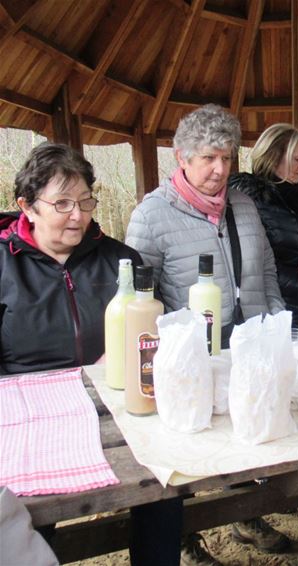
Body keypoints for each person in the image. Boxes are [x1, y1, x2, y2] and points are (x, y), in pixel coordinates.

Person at [0, 142, 179, 566]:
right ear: (27, 206)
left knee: (162, 483)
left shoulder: (120, 260)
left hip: (114, 401)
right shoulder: (4, 264)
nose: (78, 215)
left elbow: (157, 332)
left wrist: (130, 356)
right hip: (28, 413)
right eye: (62, 203)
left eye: (85, 201)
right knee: (25, 505)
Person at [125, 104, 289, 564]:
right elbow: (140, 294)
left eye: (227, 158)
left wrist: (273, 312)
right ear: (181, 156)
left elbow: (268, 264)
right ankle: (182, 537)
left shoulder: (243, 203)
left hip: (246, 343)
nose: (220, 169)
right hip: (190, 358)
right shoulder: (152, 214)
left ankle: (244, 514)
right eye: (208, 158)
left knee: (241, 438)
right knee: (185, 453)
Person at [228, 123, 298, 331]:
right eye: (297, 159)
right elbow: (244, 264)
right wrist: (294, 278)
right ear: (272, 157)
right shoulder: (249, 201)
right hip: (274, 316)